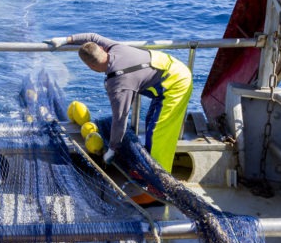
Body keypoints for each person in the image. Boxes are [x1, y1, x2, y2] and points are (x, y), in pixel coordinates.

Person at [50, 32, 192, 176]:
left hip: (175, 83)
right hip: (166, 65)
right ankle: (149, 166)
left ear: (91, 67)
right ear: (102, 49)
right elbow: (92, 37)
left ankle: (160, 178)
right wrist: (66, 40)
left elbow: (120, 119)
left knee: (158, 133)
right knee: (151, 122)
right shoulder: (114, 48)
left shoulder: (118, 84)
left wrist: (112, 149)